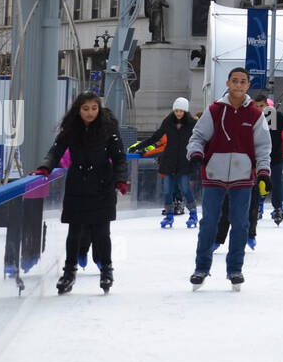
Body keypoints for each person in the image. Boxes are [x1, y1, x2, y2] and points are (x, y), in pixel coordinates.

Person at [36, 91, 129, 294]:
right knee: (74, 233)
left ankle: (106, 269)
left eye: (94, 108)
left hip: (102, 185)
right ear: (78, 110)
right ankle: (69, 272)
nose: (90, 113)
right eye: (85, 109)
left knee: (102, 233)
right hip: (77, 186)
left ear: (99, 109)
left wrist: (121, 179)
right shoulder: (71, 130)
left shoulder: (108, 128)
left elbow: (119, 157)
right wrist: (45, 167)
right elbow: (56, 150)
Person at [187, 66, 271, 290]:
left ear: (248, 85)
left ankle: (235, 269)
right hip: (213, 174)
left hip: (243, 177)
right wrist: (196, 154)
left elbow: (263, 146)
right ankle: (201, 268)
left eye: (243, 81)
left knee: (241, 224)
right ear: (227, 83)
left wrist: (263, 171)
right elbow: (198, 136)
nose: (238, 85)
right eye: (235, 81)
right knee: (208, 223)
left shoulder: (255, 114)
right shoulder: (214, 110)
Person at [135, 97, 199, 228]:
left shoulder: (192, 124)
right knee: (167, 191)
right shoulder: (168, 122)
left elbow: (200, 139)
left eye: (181, 111)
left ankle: (193, 214)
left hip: (184, 162)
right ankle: (169, 215)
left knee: (186, 189)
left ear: (186, 111)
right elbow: (156, 136)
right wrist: (140, 146)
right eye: (176, 110)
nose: (178, 113)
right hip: (168, 162)